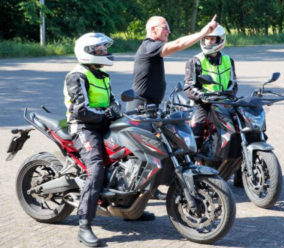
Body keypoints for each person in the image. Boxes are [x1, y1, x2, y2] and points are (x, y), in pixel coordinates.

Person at [127, 15, 219, 200]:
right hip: (140, 108)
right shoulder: (149, 46)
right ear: (153, 30)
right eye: (165, 27)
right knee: (144, 154)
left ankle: (148, 190)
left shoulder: (152, 47)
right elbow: (176, 44)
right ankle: (132, 194)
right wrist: (202, 33)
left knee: (158, 150)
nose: (168, 31)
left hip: (151, 107)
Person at [64, 32, 120, 247]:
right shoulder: (77, 75)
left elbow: (111, 101)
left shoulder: (102, 74)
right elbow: (80, 109)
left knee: (129, 154)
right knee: (96, 168)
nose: (105, 52)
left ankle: (132, 209)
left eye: (105, 49)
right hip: (84, 127)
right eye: (101, 49)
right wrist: (104, 115)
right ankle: (84, 225)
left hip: (102, 124)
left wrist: (117, 111)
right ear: (89, 52)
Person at [184, 24, 237, 151]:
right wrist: (202, 96)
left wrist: (229, 93)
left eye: (213, 39)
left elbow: (233, 83)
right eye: (206, 38)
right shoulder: (195, 61)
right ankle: (193, 161)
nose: (209, 41)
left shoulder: (228, 60)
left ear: (220, 40)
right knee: (197, 129)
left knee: (240, 123)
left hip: (224, 102)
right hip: (203, 103)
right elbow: (188, 87)